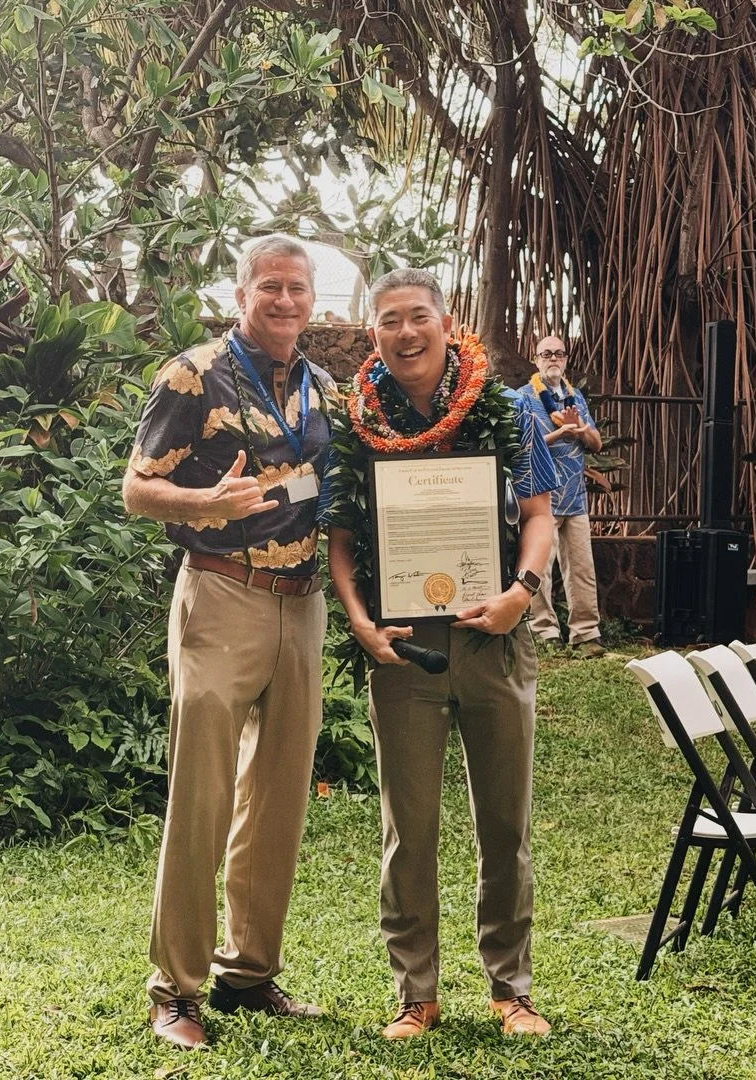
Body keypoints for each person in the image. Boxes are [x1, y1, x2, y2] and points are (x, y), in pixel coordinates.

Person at [320, 268, 558, 1039]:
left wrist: (521, 592)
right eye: (389, 321)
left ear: (446, 321)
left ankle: (511, 988)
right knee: (408, 827)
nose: (405, 333)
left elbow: (540, 515)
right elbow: (343, 536)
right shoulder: (356, 420)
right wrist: (358, 620)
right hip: (403, 651)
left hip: (494, 637)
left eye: (417, 316)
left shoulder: (509, 410)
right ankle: (414, 993)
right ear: (373, 334)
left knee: (505, 824)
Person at [122, 236, 338, 1051]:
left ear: (312, 300)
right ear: (241, 292)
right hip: (221, 594)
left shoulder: (324, 390)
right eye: (270, 287)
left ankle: (247, 973)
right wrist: (204, 501)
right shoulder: (194, 373)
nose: (285, 301)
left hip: (302, 602)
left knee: (278, 798)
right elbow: (136, 489)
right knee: (204, 796)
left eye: (297, 289)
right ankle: (174, 990)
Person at [516, 335, 605, 657]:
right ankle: (544, 633)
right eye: (546, 354)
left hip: (575, 498)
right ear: (536, 359)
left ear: (566, 359)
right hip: (542, 497)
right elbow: (523, 446)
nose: (553, 359)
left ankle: (586, 634)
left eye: (559, 354)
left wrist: (581, 429)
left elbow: (596, 444)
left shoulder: (575, 397)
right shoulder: (524, 398)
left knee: (582, 567)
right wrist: (560, 433)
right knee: (540, 567)